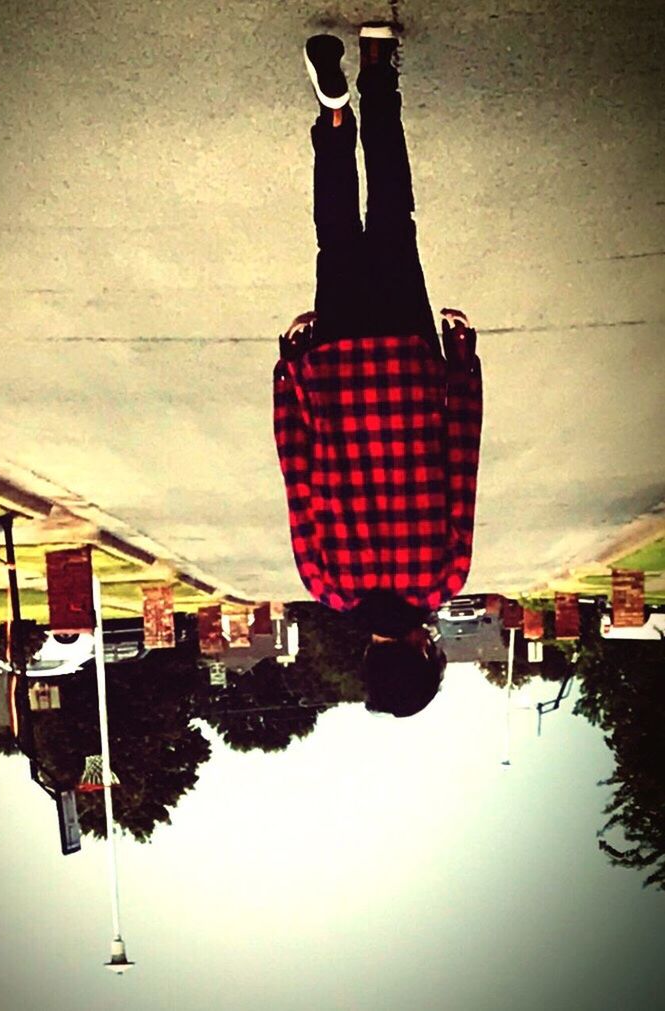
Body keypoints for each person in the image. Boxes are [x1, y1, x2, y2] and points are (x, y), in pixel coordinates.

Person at [273, 23, 483, 718]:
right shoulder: (325, 580)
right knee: (334, 234)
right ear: (368, 653)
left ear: (424, 651)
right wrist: (290, 371)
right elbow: (296, 468)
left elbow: (460, 454)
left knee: (393, 216)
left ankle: (375, 68)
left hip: (407, 362)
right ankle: (334, 117)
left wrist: (462, 364)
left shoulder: (444, 575)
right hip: (334, 371)